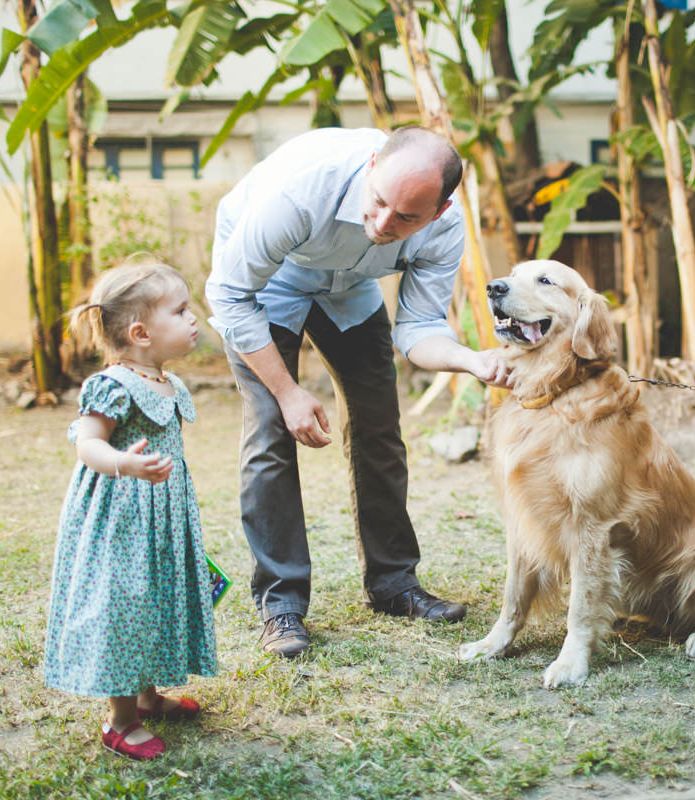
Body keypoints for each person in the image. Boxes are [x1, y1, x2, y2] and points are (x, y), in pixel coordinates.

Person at [206, 125, 510, 660]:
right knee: (271, 432)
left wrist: (471, 360)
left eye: (407, 218)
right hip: (268, 284)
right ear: (371, 166)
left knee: (379, 427)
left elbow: (417, 330)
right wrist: (288, 391)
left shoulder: (444, 229)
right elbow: (229, 295)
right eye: (379, 203)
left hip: (350, 290)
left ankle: (394, 583)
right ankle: (281, 604)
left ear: (438, 212)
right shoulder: (301, 191)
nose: (384, 223)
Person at [44, 258, 217, 761]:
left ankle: (147, 698)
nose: (193, 319)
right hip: (120, 518)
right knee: (124, 607)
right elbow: (87, 443)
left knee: (157, 599)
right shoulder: (113, 383)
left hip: (162, 518)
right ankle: (120, 720)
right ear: (141, 332)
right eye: (182, 310)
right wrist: (124, 464)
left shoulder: (165, 380)